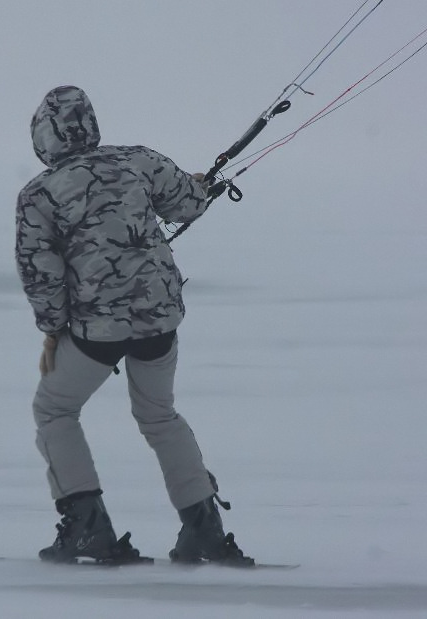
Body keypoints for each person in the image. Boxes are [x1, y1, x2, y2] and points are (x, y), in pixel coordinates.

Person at [15, 85, 253, 566]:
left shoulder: (38, 193)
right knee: (159, 415)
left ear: (44, 136)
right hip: (159, 318)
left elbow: (42, 273)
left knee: (55, 410)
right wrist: (198, 183)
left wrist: (52, 329)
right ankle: (204, 531)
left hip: (97, 330)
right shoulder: (139, 160)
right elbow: (188, 204)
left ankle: (86, 529)